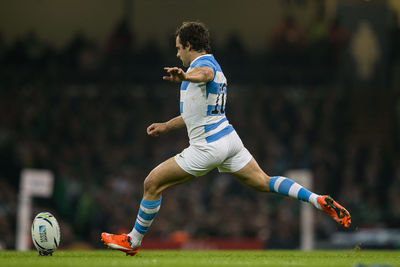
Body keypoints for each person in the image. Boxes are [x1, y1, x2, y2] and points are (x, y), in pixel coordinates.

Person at [101, 21, 351, 256]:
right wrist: (167, 126)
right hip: (229, 139)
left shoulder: (204, 66)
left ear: (189, 45)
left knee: (152, 183)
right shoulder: (210, 65)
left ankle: (132, 241)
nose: (177, 54)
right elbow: (194, 114)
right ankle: (316, 199)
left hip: (207, 146)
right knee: (264, 181)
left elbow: (204, 74)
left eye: (179, 48)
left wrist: (186, 76)